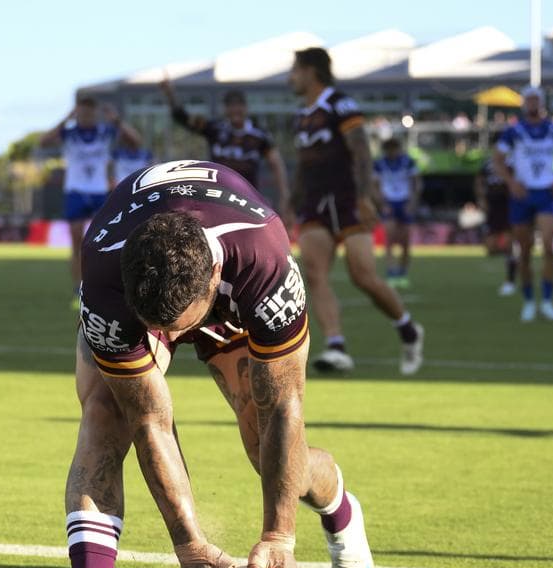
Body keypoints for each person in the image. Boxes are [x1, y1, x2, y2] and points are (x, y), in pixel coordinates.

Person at [38, 160, 375, 568]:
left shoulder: (265, 260)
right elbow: (150, 421)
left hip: (235, 297)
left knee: (267, 446)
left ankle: (341, 510)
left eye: (177, 326)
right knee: (106, 411)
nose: (170, 339)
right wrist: (190, 548)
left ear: (214, 275)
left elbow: (285, 404)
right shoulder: (106, 270)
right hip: (144, 288)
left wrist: (279, 538)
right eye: (161, 328)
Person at [289, 47, 424, 375]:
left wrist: (364, 197)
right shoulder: (303, 115)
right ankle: (336, 346)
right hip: (315, 204)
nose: (290, 77)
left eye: (294, 70)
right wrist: (293, 201)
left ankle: (408, 329)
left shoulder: (339, 104)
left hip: (347, 200)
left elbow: (361, 149)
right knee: (314, 273)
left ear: (311, 71)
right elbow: (304, 165)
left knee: (363, 277)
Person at [40, 96, 142, 304]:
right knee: (77, 242)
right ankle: (79, 290)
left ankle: (108, 285)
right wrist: (66, 119)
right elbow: (43, 142)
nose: (86, 117)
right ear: (77, 112)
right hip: (75, 192)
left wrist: (116, 120)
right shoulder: (69, 133)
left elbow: (136, 141)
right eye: (82, 112)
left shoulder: (105, 132)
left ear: (95, 113)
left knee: (108, 240)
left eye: (90, 112)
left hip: (99, 192)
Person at [492, 86, 553, 322]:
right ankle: (528, 301)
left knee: (548, 247)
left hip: (547, 193)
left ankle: (548, 301)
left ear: (542, 102)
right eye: (528, 99)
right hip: (522, 195)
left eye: (535, 99)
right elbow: (497, 160)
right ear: (523, 103)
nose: (532, 103)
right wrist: (510, 182)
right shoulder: (513, 132)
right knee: (524, 252)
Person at [159, 80, 293, 220]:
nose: (235, 110)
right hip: (217, 198)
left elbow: (276, 163)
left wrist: (284, 194)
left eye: (239, 105)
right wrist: (170, 95)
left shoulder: (259, 135)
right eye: (231, 106)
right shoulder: (215, 129)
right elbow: (184, 119)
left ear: (246, 108)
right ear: (225, 109)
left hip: (248, 200)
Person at [373, 138, 422, 289]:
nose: (392, 152)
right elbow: (375, 186)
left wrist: (412, 202)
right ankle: (391, 271)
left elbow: (416, 183)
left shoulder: (408, 162)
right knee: (390, 238)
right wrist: (382, 204)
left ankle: (403, 271)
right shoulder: (379, 164)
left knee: (405, 240)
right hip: (389, 202)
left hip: (404, 201)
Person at [476, 140, 516, 295]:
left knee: (508, 242)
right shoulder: (488, 163)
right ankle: (513, 258)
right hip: (493, 205)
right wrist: (481, 198)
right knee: (491, 248)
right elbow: (479, 180)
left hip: (508, 203)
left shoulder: (513, 162)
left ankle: (510, 279)